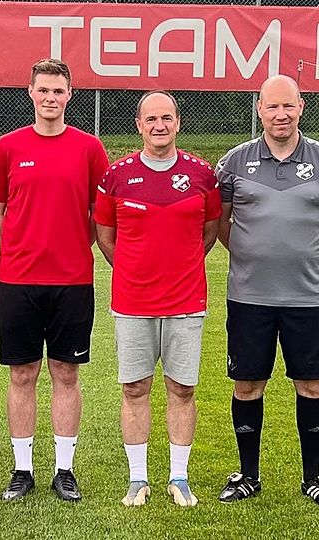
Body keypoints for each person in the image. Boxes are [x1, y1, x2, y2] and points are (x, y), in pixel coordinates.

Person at [215, 74, 319, 508]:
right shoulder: (235, 163)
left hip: (307, 299)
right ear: (259, 109)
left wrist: (311, 259)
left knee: (312, 385)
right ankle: (248, 475)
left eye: (288, 106)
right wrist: (250, 255)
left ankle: (314, 477)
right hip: (249, 298)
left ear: (301, 109)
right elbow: (220, 224)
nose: (281, 114)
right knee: (247, 385)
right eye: (272, 106)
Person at [0, 58, 109, 502]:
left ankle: (64, 469)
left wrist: (78, 246)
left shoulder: (89, 148)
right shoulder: (8, 147)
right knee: (22, 372)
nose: (50, 98)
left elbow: (101, 212)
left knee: (65, 371)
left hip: (72, 280)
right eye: (43, 91)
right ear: (30, 94)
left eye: (58, 91)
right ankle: (21, 469)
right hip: (18, 280)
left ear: (69, 95)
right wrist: (16, 248)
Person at [95, 91, 222, 507]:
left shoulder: (202, 175)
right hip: (133, 301)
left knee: (182, 389)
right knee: (135, 387)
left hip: (186, 300)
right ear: (139, 125)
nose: (159, 125)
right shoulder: (116, 176)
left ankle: (179, 476)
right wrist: (136, 270)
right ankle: (137, 478)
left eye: (166, 117)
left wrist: (179, 265)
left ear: (178, 122)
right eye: (151, 119)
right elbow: (105, 236)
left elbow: (209, 231)